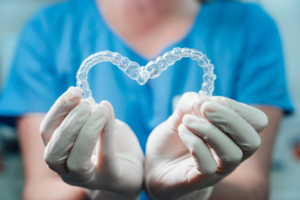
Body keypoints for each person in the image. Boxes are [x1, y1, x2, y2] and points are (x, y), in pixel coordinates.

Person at [0, 0, 293, 199]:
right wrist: (103, 190)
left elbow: (253, 185)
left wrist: (194, 190)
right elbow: (40, 189)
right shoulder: (48, 29)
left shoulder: (251, 26)